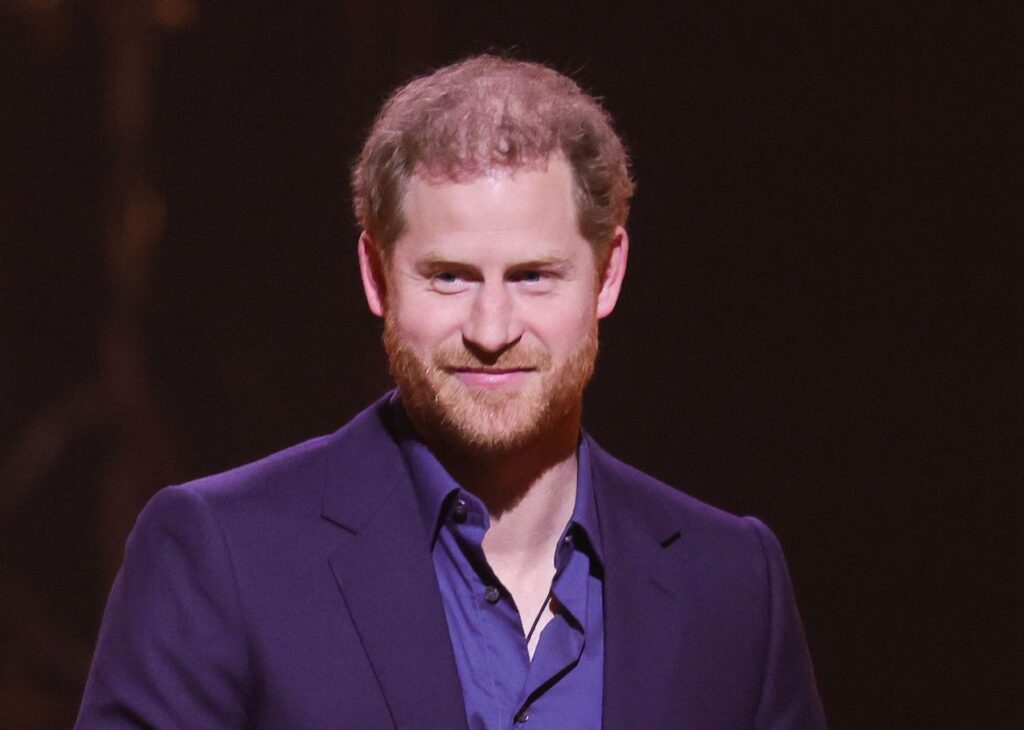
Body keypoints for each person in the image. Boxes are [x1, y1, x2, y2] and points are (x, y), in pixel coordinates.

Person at [76, 55, 826, 729]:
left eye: (534, 276)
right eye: (449, 277)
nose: (492, 328)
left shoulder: (731, 581)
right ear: (376, 276)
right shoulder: (220, 556)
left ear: (609, 273)